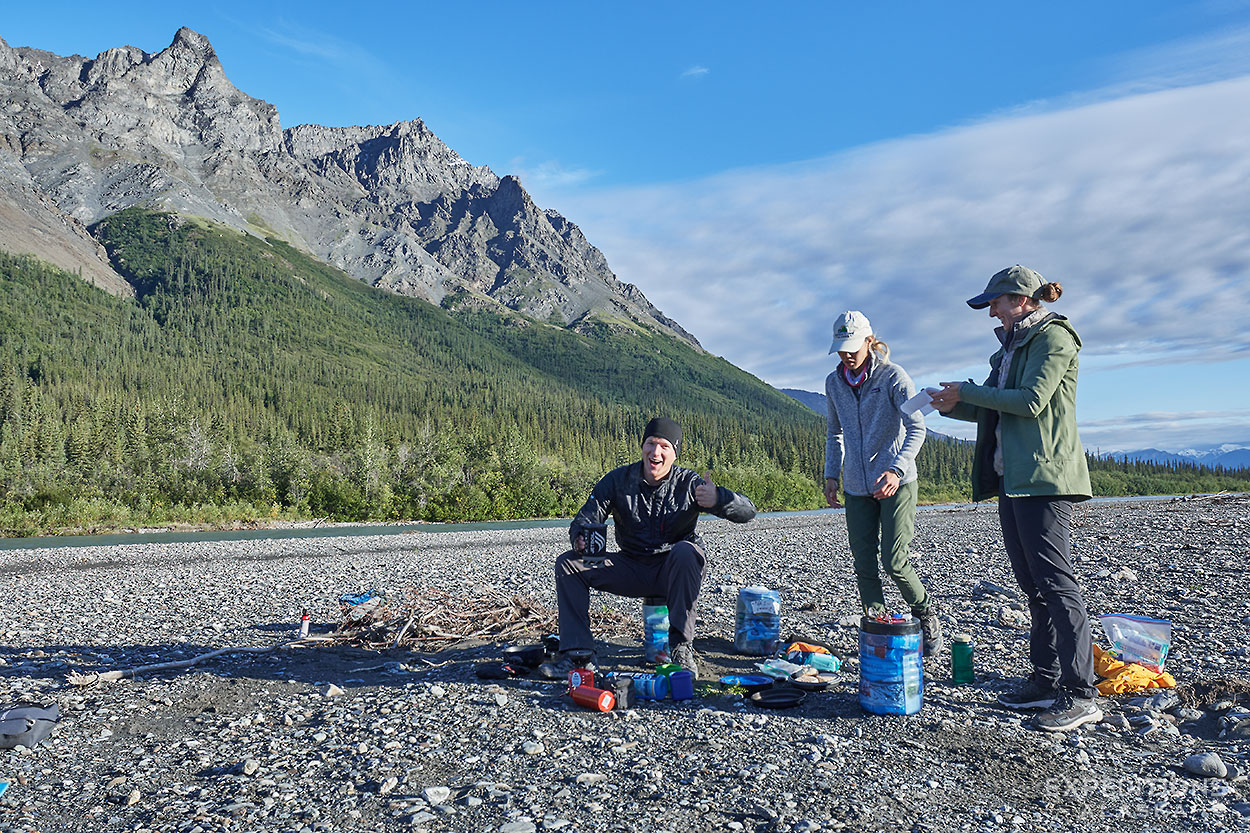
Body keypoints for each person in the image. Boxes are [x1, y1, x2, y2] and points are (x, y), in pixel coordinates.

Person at [930, 265, 1102, 732]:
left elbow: (1030, 401)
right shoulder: (1006, 350)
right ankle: (1044, 682)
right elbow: (996, 404)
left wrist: (970, 391)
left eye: (997, 303)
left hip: (1045, 477)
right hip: (1013, 477)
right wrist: (954, 404)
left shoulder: (1054, 338)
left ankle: (1082, 693)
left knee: (1056, 582)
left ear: (1022, 300)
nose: (992, 312)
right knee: (1033, 585)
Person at [542, 417, 757, 680]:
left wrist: (719, 498)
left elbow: (749, 511)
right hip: (630, 567)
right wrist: (580, 538)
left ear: (674, 453)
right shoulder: (618, 480)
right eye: (651, 443)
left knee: (686, 551)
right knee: (568, 564)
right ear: (642, 446)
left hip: (675, 570)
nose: (656, 452)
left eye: (664, 446)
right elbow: (586, 517)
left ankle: (680, 649)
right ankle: (579, 657)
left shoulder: (689, 483)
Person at [823, 310, 944, 657]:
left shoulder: (893, 376)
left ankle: (925, 614)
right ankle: (879, 628)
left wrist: (897, 470)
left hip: (897, 483)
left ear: (868, 341)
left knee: (894, 561)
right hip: (857, 486)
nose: (846, 354)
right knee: (864, 562)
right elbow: (835, 432)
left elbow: (917, 428)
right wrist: (832, 474)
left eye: (852, 346)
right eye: (841, 348)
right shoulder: (833, 383)